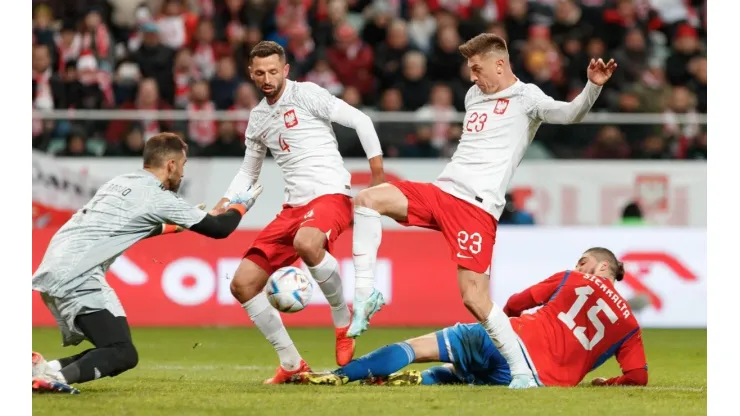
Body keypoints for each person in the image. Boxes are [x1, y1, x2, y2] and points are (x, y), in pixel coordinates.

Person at [348, 33, 617, 389]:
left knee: (474, 298)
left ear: (500, 64)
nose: (473, 77)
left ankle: (521, 372)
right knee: (368, 199)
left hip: (476, 208)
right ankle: (366, 294)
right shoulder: (473, 95)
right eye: (470, 69)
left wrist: (592, 88)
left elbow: (570, 114)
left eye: (477, 68)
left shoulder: (527, 98)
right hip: (442, 192)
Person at [31, 133, 264, 394]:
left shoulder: (121, 182)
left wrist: (174, 226)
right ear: (171, 165)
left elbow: (125, 225)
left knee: (114, 347)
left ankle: (43, 371)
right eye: (183, 165)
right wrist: (242, 206)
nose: (183, 174)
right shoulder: (158, 197)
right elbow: (220, 229)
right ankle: (56, 378)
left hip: (54, 265)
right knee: (122, 353)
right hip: (78, 274)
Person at [210, 41, 385, 384]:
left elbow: (361, 120)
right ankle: (291, 364)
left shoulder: (306, 95)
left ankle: (341, 320)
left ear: (286, 70)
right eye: (260, 73)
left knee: (308, 243)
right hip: (293, 208)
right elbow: (249, 171)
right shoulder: (258, 117)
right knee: (242, 285)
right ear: (251, 73)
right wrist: (226, 201)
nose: (267, 78)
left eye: (274, 71)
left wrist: (377, 175)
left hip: (330, 195)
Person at [299, 247, 647, 388]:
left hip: (513, 339)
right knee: (466, 377)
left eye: (584, 261)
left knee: (416, 347)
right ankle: (427, 381)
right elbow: (638, 376)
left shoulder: (573, 279)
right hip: (536, 381)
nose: (578, 266)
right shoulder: (630, 326)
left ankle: (340, 377)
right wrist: (608, 382)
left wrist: (502, 328)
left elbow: (515, 301)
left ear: (604, 267)